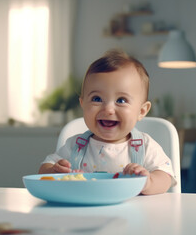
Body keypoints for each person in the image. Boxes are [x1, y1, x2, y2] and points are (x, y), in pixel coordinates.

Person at [38, 49, 176, 195]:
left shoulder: (145, 147)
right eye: (97, 99)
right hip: (84, 212)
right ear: (83, 104)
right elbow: (44, 170)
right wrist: (55, 171)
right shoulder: (76, 146)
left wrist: (148, 183)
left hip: (132, 213)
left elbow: (166, 178)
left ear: (141, 111)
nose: (108, 109)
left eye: (121, 100)